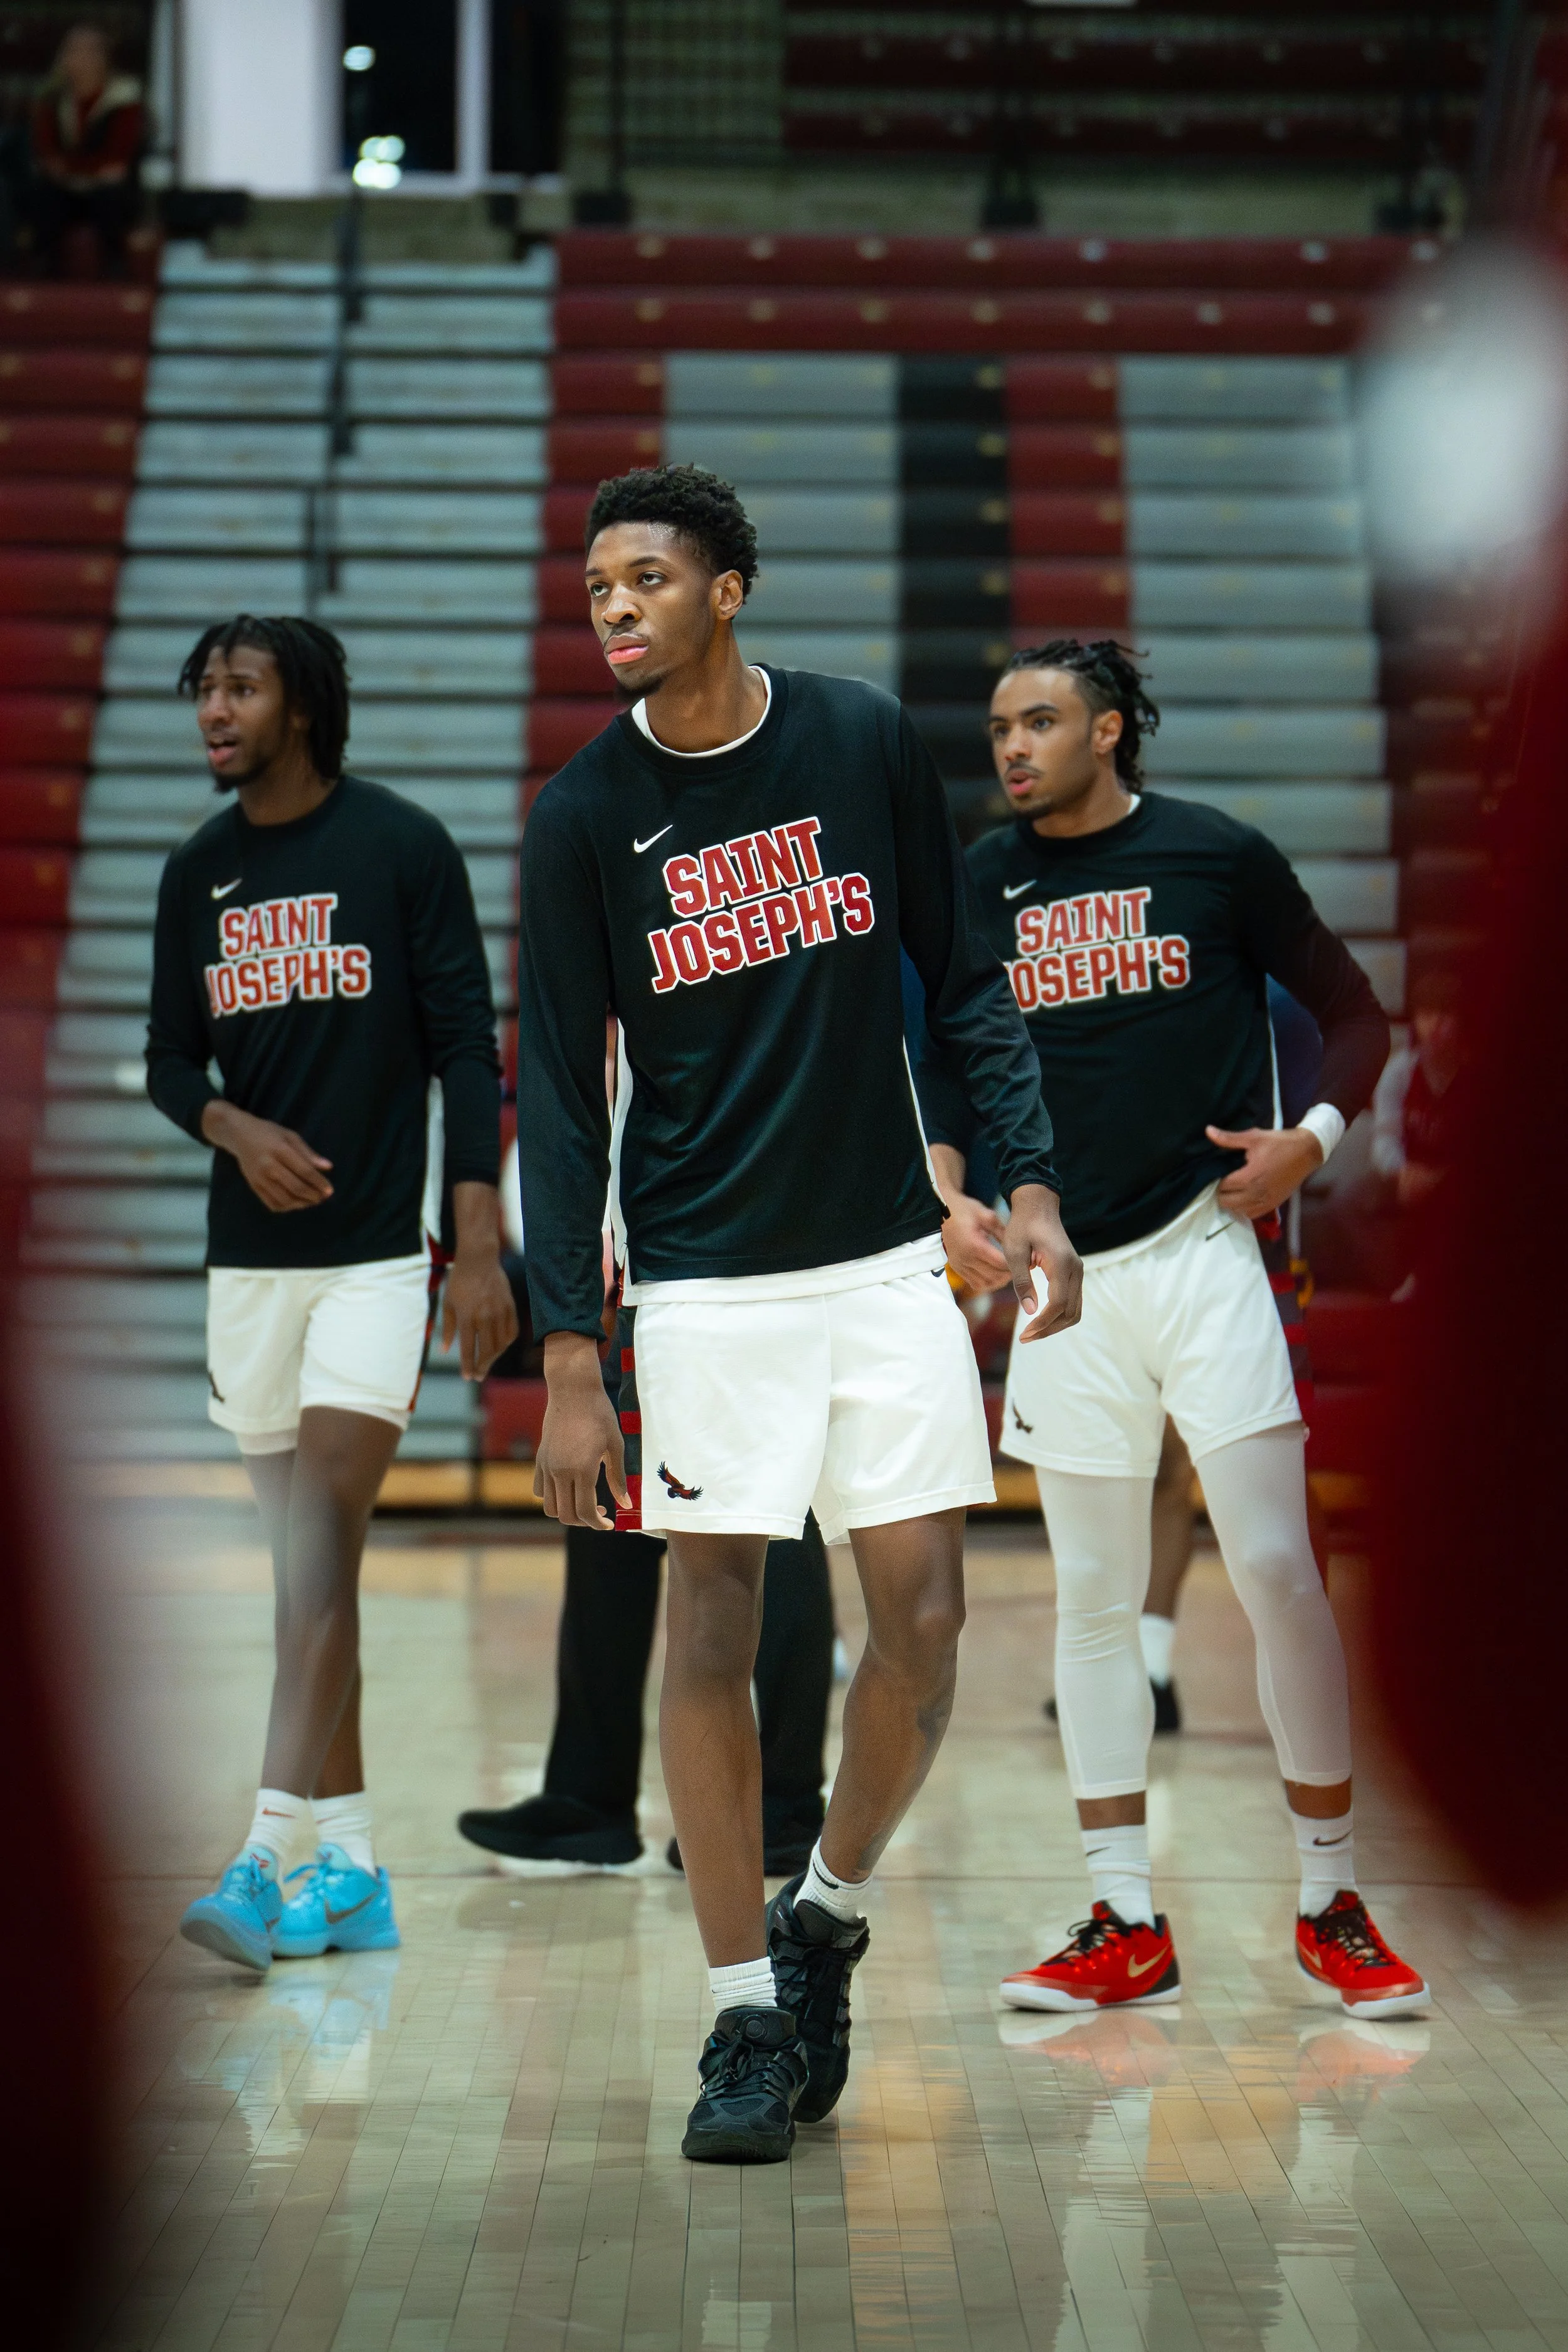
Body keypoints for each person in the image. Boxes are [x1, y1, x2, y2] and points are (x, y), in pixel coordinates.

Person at [516, 464, 1079, 2163]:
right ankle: (740, 2013)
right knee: (712, 1621)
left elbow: (963, 975)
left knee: (922, 1620)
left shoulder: (854, 737)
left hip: (881, 1254)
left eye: (645, 577)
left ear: (727, 587)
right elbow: (552, 1090)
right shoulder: (579, 813)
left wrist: (1027, 1179)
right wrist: (566, 1348)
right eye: (597, 582)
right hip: (695, 1275)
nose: (612, 604)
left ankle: (823, 1908)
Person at [921, 640, 1429, 2020]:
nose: (1010, 748)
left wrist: (1305, 1147)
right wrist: (947, 1183)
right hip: (1056, 1276)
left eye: (1038, 722)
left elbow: (1352, 1015)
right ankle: (1121, 1919)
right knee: (1088, 1600)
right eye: (996, 727)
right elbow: (942, 1061)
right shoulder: (979, 881)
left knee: (1272, 1563)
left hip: (1203, 1253)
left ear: (1109, 728)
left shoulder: (1216, 857)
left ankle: (1329, 1899)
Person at [146, 616, 516, 1975]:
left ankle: (261, 1858)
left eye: (238, 688)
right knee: (318, 1584)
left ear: (300, 706)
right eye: (204, 692)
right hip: (247, 1272)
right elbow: (166, 1062)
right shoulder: (199, 874)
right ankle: (353, 1875)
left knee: (312, 1562)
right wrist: (233, 1130)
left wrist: (474, 1244)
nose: (213, 711)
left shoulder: (401, 846)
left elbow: (466, 1050)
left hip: (374, 1259)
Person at [27, 24, 144, 278]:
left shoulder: (124, 98)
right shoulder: (51, 98)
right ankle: (43, 271)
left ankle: (116, 269)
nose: (80, 60)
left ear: (104, 59)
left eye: (90, 53)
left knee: (111, 198)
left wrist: (71, 168)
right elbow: (47, 155)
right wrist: (87, 170)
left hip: (109, 191)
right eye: (73, 51)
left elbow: (118, 159)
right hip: (64, 187)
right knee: (45, 196)